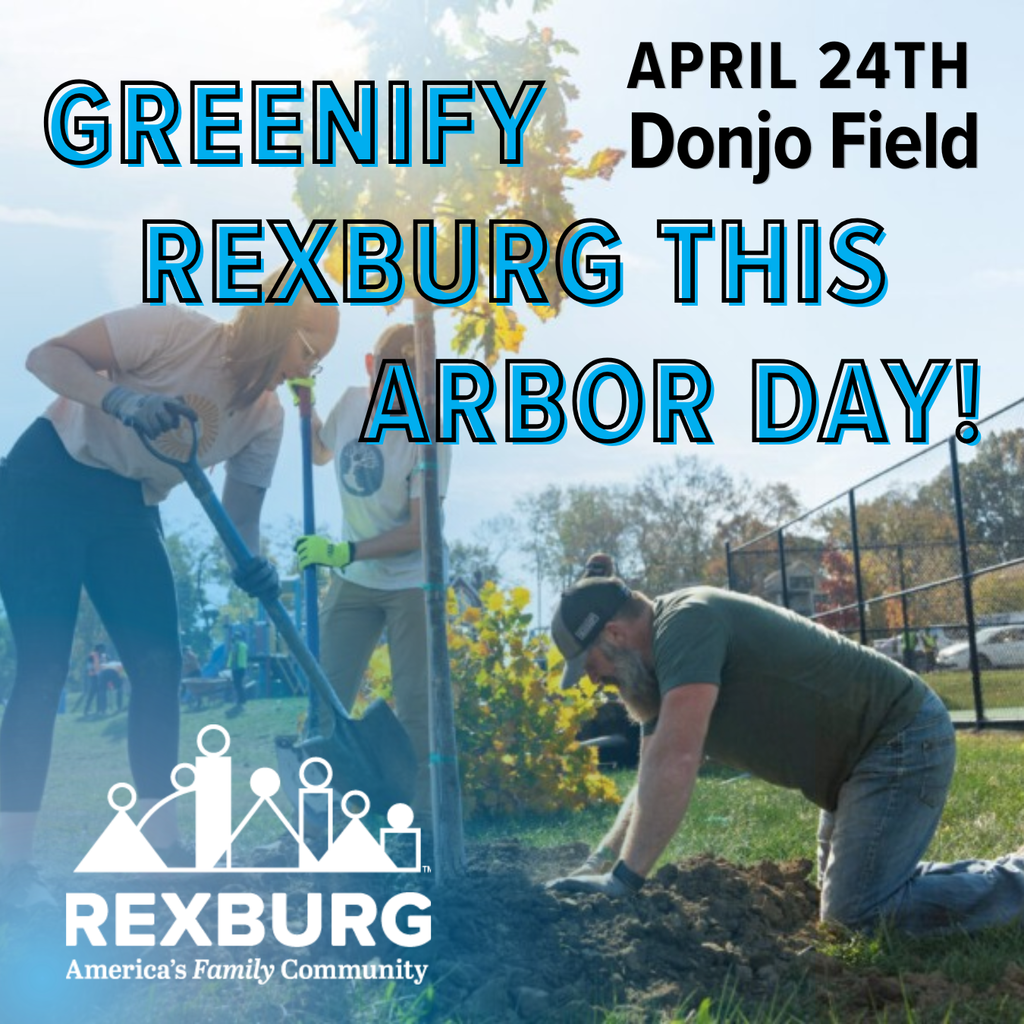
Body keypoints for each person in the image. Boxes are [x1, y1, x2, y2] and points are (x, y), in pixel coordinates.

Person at [0, 277, 338, 910]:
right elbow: (44, 356)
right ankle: (13, 870)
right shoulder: (174, 330)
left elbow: (240, 520)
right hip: (45, 479)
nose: (311, 369)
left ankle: (165, 853)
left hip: (127, 504)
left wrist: (253, 565)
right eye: (310, 351)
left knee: (159, 666)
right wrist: (120, 397)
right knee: (43, 670)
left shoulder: (264, 419)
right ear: (279, 325)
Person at [546, 561, 1024, 935]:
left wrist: (626, 881)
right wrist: (602, 866)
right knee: (857, 895)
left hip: (895, 739)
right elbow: (649, 779)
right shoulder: (658, 673)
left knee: (854, 915)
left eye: (590, 665)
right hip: (857, 765)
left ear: (613, 633)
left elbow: (677, 759)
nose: (594, 680)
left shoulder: (687, 624)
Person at [293, 323, 451, 830]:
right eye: (392, 372)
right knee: (325, 698)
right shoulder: (351, 404)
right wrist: (304, 404)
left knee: (415, 709)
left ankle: (421, 826)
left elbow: (419, 530)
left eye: (416, 375)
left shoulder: (432, 426)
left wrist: (343, 549)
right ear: (369, 366)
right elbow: (321, 450)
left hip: (412, 583)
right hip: (355, 579)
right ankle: (317, 820)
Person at [227, 629, 250, 706]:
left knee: (237, 684)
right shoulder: (244, 645)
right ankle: (243, 699)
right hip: (243, 666)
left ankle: (240, 700)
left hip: (236, 667)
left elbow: (234, 655)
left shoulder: (236, 645)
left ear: (235, 637)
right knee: (240, 684)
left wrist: (230, 665)